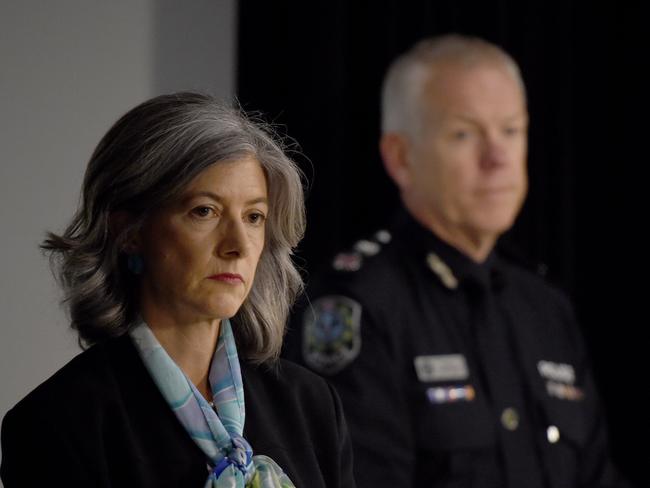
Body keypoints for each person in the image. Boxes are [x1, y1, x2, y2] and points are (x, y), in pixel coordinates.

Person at [284, 35, 629, 487]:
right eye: (465, 134)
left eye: (511, 130)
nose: (498, 158)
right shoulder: (357, 308)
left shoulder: (545, 309)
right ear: (401, 157)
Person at [1, 92, 355, 488]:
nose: (237, 244)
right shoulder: (60, 422)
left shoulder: (310, 405)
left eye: (254, 217)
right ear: (129, 231)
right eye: (205, 211)